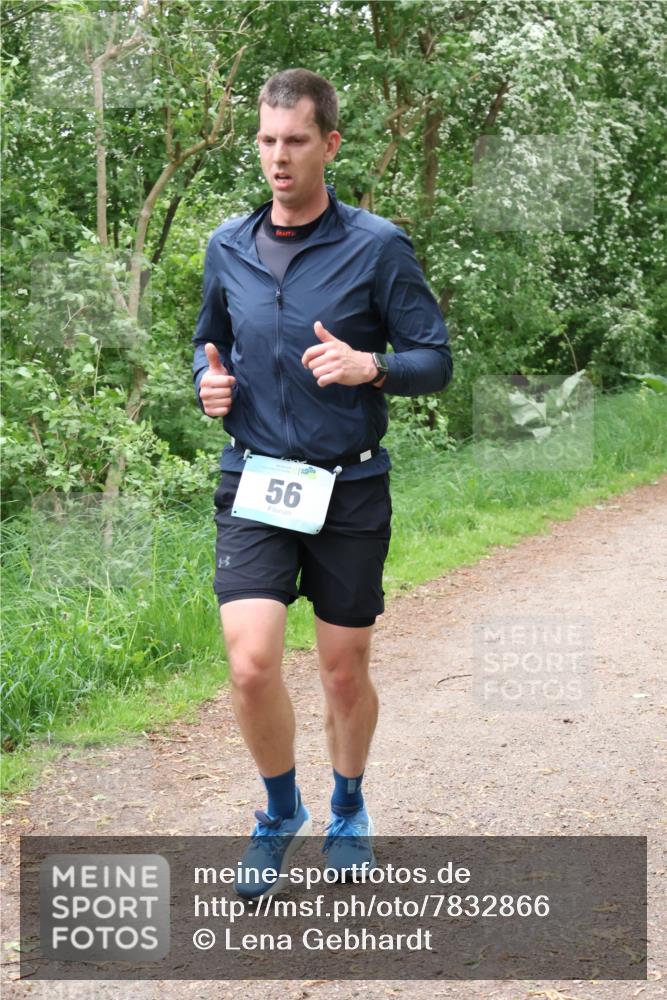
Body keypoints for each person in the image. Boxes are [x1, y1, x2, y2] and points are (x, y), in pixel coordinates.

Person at [192, 68, 452, 900]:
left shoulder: (377, 246)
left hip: (348, 487)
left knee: (343, 670)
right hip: (256, 481)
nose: (277, 156)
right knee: (251, 663)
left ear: (329, 145)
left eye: (295, 140)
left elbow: (434, 362)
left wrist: (369, 365)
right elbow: (205, 347)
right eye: (267, 140)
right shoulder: (227, 245)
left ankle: (347, 807)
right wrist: (205, 387)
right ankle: (278, 813)